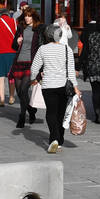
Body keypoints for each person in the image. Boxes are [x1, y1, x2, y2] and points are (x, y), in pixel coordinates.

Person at [29, 24, 78, 153]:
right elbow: (71, 71)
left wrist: (34, 78)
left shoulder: (43, 49)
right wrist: (76, 87)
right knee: (61, 114)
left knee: (51, 112)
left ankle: (54, 139)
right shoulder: (67, 50)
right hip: (63, 85)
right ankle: (59, 141)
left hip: (48, 85)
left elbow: (34, 68)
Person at [11, 9, 44, 128]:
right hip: (19, 62)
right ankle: (31, 110)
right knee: (19, 91)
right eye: (25, 16)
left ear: (34, 17)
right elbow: (13, 46)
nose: (27, 18)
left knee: (24, 90)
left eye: (29, 16)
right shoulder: (20, 28)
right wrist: (17, 41)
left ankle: (22, 116)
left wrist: (42, 67)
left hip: (32, 63)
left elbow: (42, 46)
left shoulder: (40, 28)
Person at [0, 1, 19, 105]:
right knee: (11, 76)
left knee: (0, 77)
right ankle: (11, 97)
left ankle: (1, 99)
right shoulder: (14, 22)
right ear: (8, 13)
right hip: (12, 51)